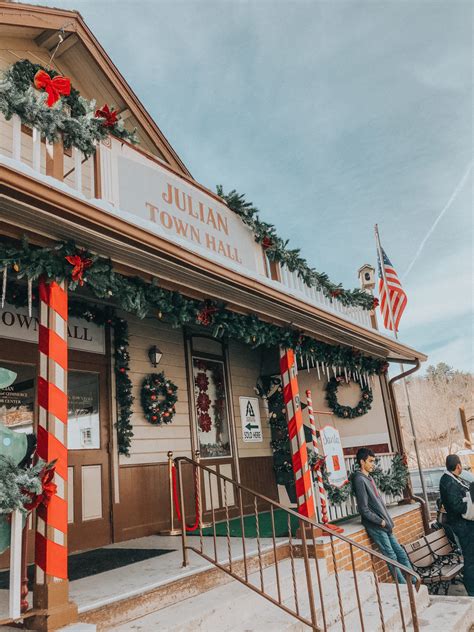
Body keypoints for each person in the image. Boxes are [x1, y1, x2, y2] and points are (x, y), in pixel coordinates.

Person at [353, 447, 414, 584]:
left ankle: (415, 580)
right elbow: (363, 508)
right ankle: (403, 586)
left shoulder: (369, 478)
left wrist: (387, 522)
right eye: (370, 461)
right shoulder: (359, 480)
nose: (373, 464)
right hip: (376, 525)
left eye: (373, 461)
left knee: (401, 552)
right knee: (391, 556)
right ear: (362, 462)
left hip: (385, 524)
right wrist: (380, 522)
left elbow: (378, 503)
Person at [439, 454, 474, 596]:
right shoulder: (448, 481)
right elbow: (457, 506)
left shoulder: (453, 479)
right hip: (461, 527)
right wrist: (470, 503)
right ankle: (471, 589)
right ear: (458, 466)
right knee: (470, 558)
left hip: (465, 525)